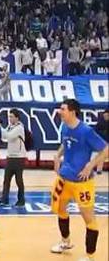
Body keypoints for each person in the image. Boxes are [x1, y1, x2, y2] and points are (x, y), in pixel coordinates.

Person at [50, 99, 108, 261]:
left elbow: (106, 149)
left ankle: (90, 256)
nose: (60, 112)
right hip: (64, 179)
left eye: (63, 109)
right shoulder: (66, 128)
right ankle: (65, 242)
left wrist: (90, 166)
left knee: (89, 219)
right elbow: (65, 143)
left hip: (82, 184)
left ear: (73, 111)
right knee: (60, 209)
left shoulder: (86, 131)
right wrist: (57, 155)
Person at [0, 109, 26, 207]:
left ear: (17, 118)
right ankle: (5, 199)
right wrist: (1, 128)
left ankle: (21, 200)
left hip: (19, 158)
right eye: (9, 116)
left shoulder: (19, 128)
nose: (10, 118)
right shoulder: (10, 127)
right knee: (6, 180)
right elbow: (4, 137)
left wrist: (1, 128)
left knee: (18, 180)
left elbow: (9, 136)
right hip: (10, 156)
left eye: (12, 116)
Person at [95, 109, 108, 174]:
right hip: (102, 142)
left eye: (107, 115)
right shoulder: (101, 122)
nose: (105, 116)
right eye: (105, 115)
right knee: (101, 155)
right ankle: (99, 169)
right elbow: (96, 131)